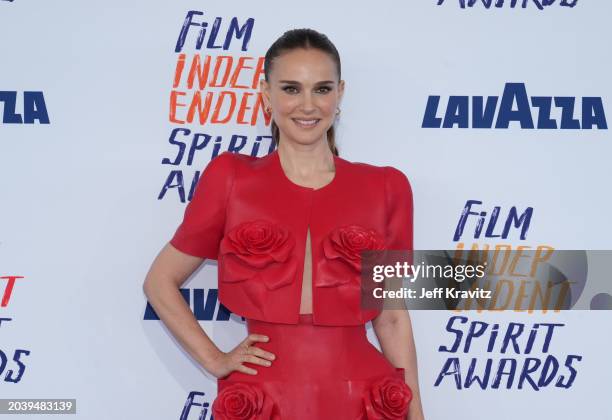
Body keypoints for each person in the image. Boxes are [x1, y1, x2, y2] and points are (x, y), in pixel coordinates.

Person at [143, 28, 425, 420]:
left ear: (340, 94)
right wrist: (214, 358)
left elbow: (392, 316)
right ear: (265, 94)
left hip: (362, 396)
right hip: (264, 398)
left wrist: (417, 413)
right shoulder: (231, 179)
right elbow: (159, 282)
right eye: (291, 89)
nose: (307, 105)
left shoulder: (386, 187)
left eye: (322, 89)